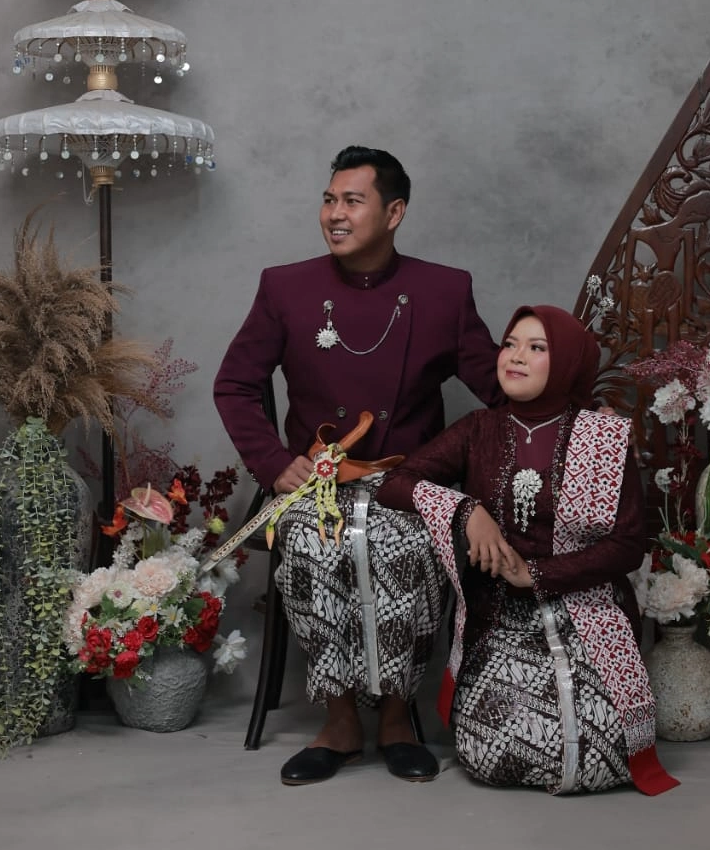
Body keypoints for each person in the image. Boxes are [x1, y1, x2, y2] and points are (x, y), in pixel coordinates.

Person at [213, 146, 502, 785]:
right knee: (314, 550)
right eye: (328, 200)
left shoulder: (444, 290)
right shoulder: (285, 287)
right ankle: (340, 722)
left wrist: (571, 412)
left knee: (404, 550)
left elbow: (500, 389)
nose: (334, 214)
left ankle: (397, 718)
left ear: (394, 213)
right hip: (318, 486)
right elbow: (234, 385)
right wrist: (273, 462)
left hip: (409, 482)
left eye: (352, 201)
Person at [375, 304, 679, 795]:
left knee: (599, 753)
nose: (515, 356)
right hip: (500, 619)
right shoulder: (479, 429)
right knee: (495, 755)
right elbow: (395, 483)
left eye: (537, 348)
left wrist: (536, 575)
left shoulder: (600, 437)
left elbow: (627, 546)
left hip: (585, 612)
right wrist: (466, 510)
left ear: (567, 364)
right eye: (510, 344)